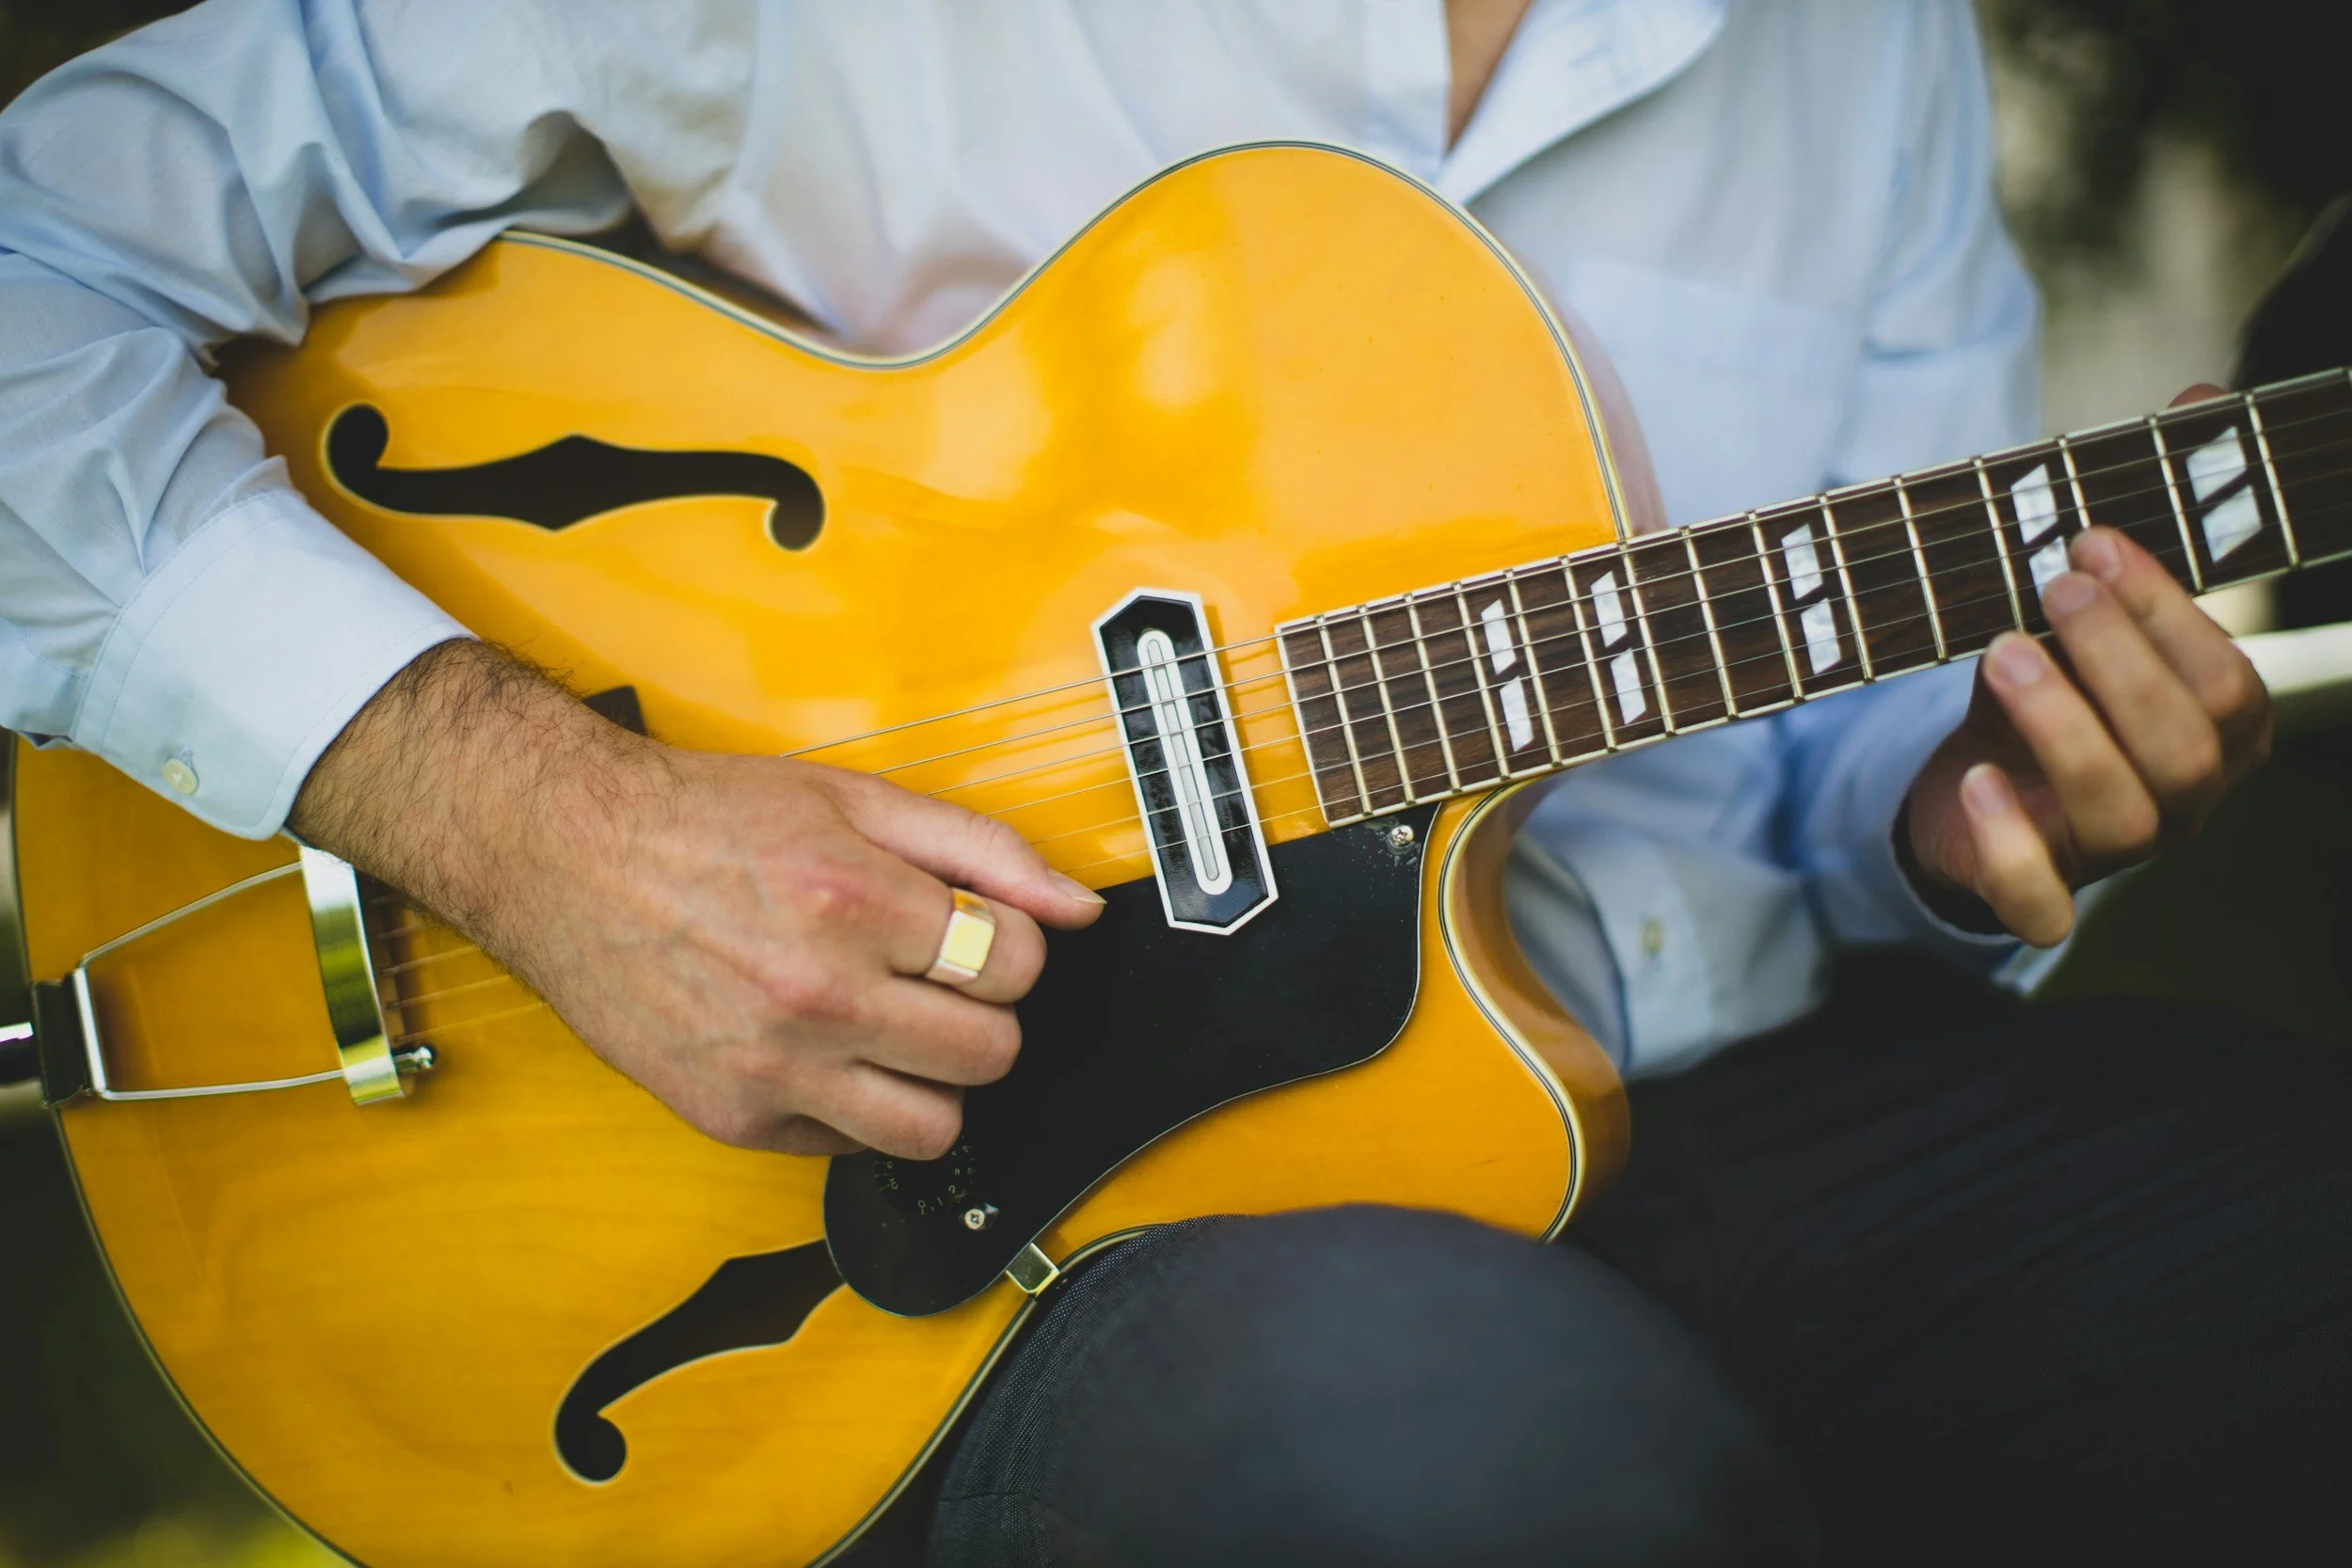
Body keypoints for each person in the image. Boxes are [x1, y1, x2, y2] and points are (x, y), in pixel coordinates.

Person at [2, 2, 2344, 1563]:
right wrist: (535, 819)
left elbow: (1842, 778)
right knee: (1472, 1465)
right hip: (1031, 1224)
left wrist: (1943, 822)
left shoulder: (1864, 48)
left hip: (1728, 1108)